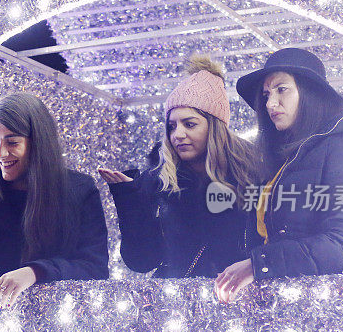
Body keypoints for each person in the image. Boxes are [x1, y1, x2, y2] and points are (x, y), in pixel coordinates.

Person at [215, 47, 343, 302]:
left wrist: (258, 264)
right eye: (266, 94)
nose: (271, 103)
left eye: (281, 89)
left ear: (310, 93)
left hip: (323, 310)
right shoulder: (282, 157)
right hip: (278, 307)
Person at [0, 92, 109, 309]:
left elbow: (94, 269)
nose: (1, 153)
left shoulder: (79, 190)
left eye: (12, 142)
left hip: (51, 329)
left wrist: (34, 273)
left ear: (38, 143)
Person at [99, 56, 257, 278]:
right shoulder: (158, 180)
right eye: (172, 126)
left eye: (190, 124)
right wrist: (130, 199)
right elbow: (141, 261)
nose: (178, 135)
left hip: (238, 299)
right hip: (175, 303)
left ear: (215, 127)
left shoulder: (252, 174)